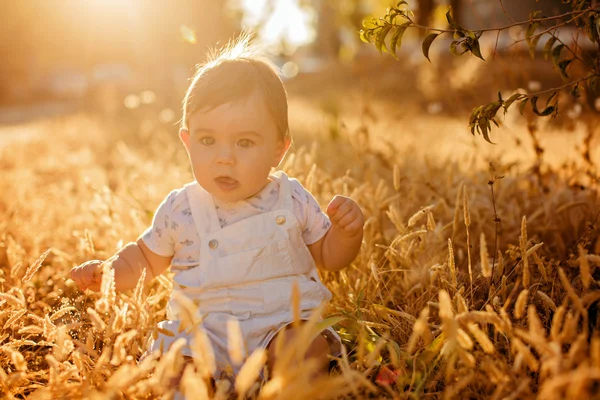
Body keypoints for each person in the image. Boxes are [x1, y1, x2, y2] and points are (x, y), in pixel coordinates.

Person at [70, 34, 364, 383]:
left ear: (278, 150)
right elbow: (145, 260)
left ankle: (287, 385)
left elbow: (329, 257)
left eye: (244, 142)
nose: (225, 157)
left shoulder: (292, 198)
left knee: (304, 350)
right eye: (208, 140)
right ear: (187, 141)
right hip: (202, 331)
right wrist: (110, 272)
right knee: (179, 366)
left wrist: (348, 234)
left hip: (281, 323)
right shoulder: (181, 209)